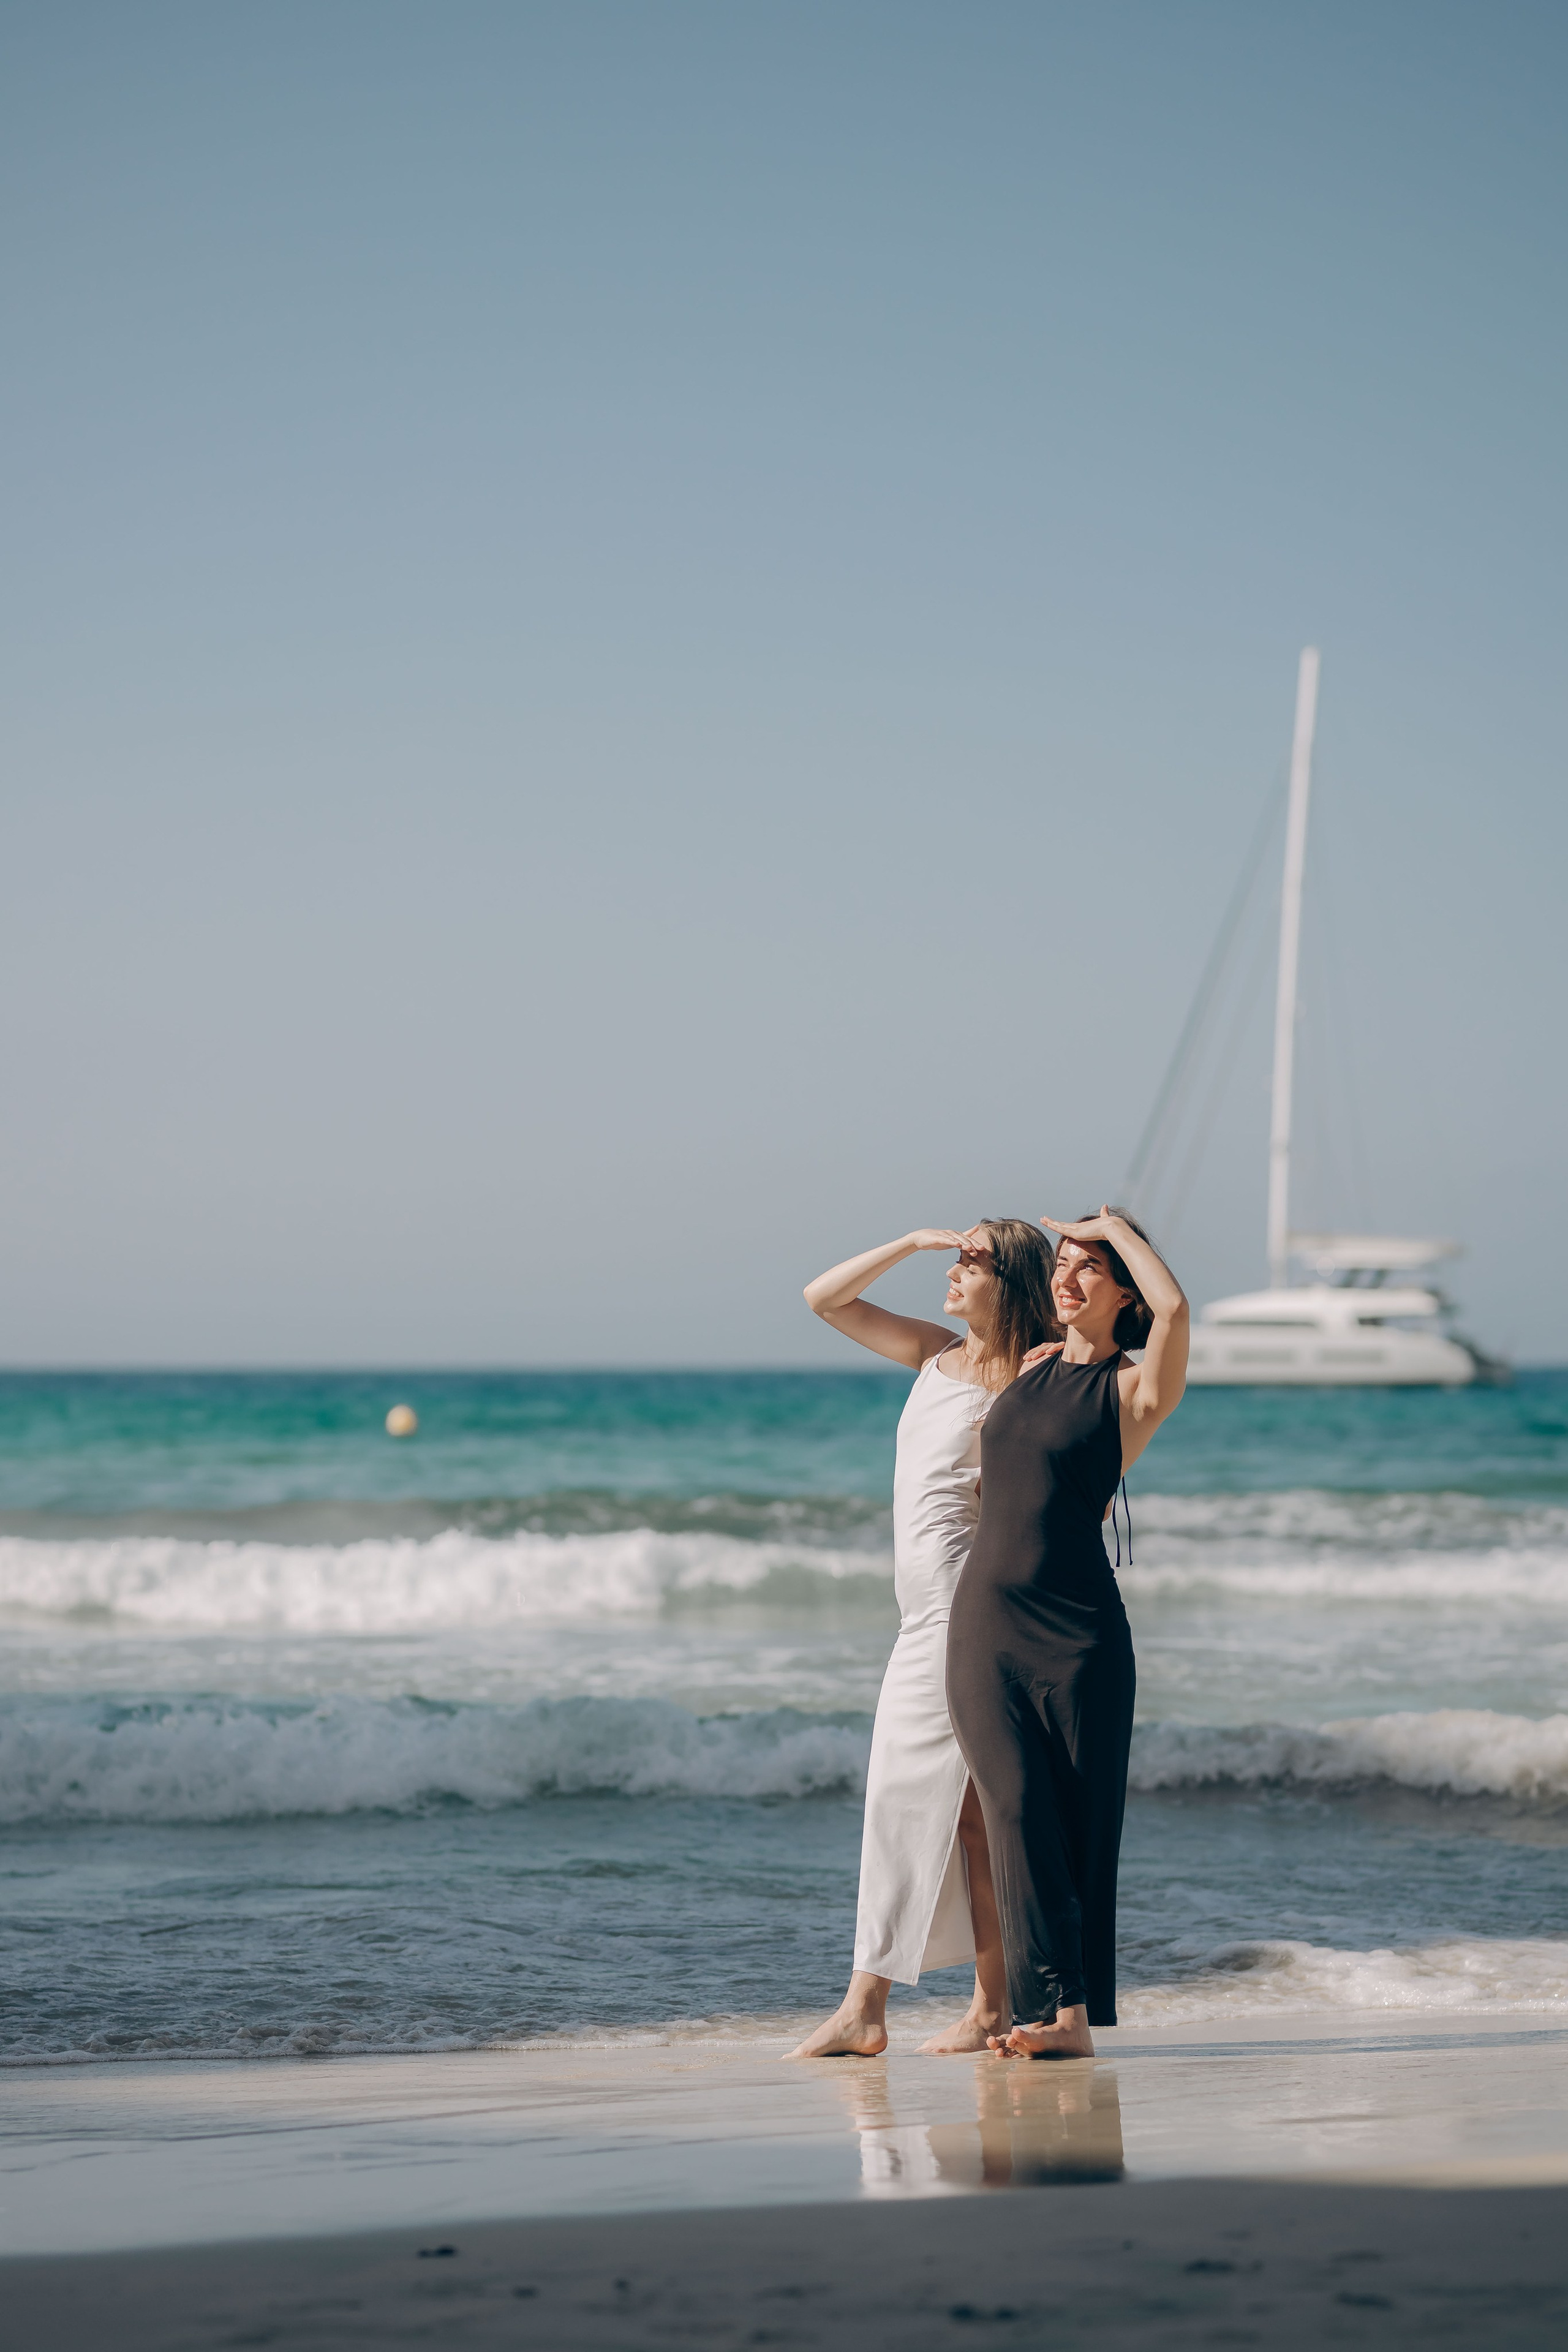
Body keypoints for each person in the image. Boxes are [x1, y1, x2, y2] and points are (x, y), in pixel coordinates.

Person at [788, 1220, 1060, 2059]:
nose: (952, 1271)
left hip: (966, 1608)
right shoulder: (936, 1353)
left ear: (1011, 1282)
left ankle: (864, 2008)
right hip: (921, 1613)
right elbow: (823, 1299)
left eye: (970, 1261)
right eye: (951, 1258)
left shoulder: (1032, 1374)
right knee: (972, 1820)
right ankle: (990, 2005)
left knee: (901, 1798)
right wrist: (907, 1243)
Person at [945, 1206, 1188, 2060]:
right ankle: (1031, 2005)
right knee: (1011, 1807)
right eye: (1063, 1261)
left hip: (1080, 1635)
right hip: (983, 1625)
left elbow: (1179, 1316)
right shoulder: (1031, 1368)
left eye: (1092, 1266)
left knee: (1081, 1822)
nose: (1068, 1275)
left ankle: (1066, 2022)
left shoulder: (1132, 1389)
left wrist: (1120, 1230)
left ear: (1126, 1291)